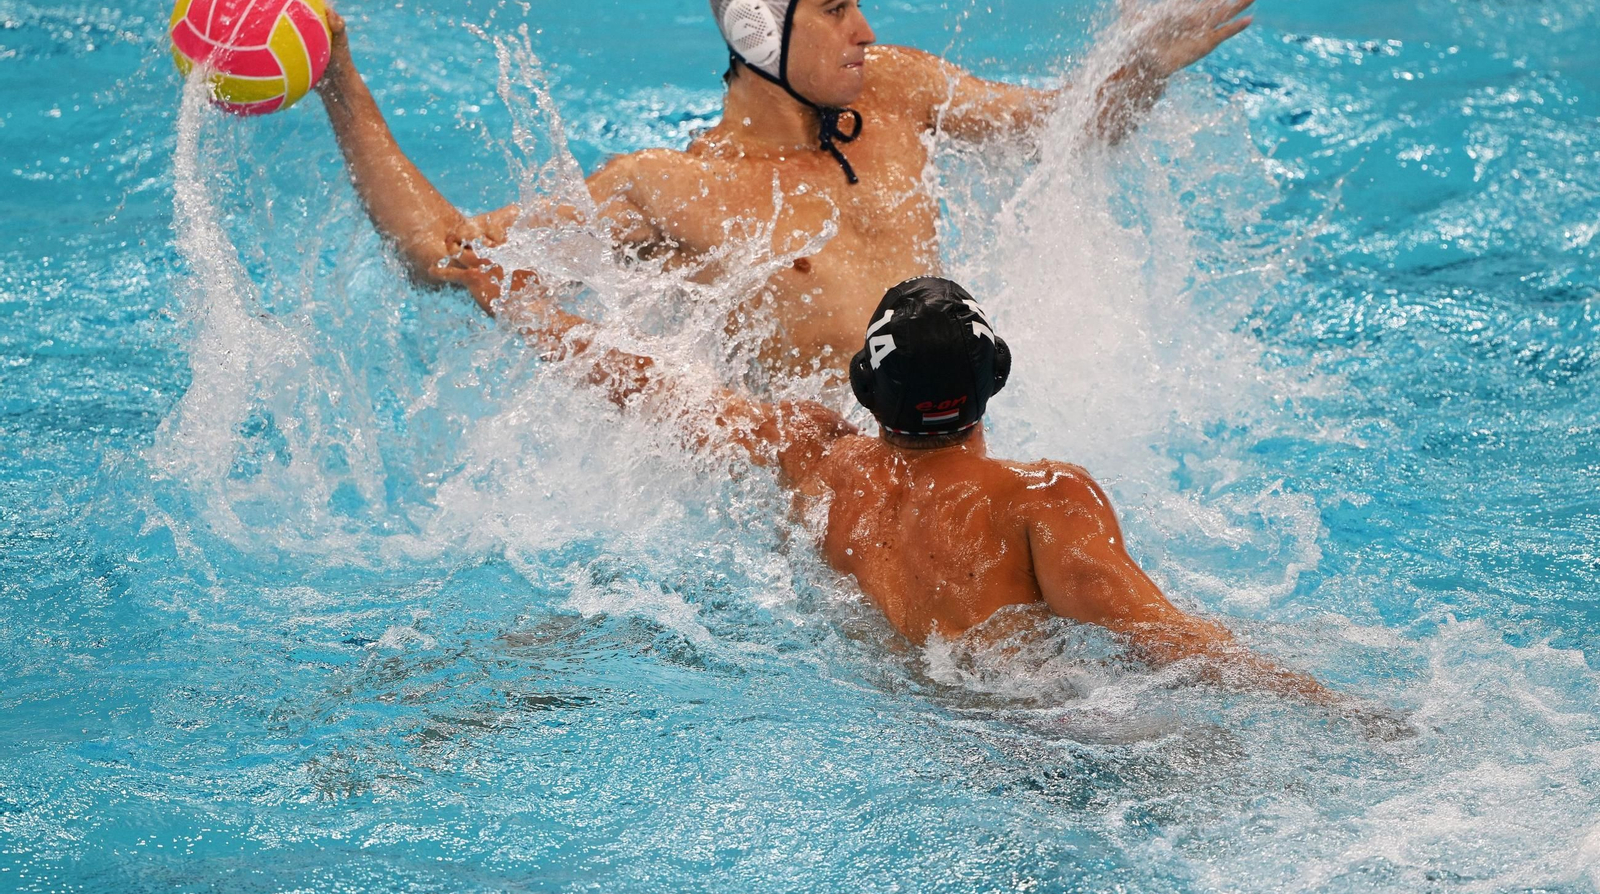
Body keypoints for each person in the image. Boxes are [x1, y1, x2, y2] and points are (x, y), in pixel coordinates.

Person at [456, 256, 1384, 720]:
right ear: (995, 378)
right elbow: (1173, 643)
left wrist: (522, 304)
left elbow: (662, 391)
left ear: (867, 389)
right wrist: (1343, 709)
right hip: (1057, 738)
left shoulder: (823, 463)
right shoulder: (1043, 500)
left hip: (913, 727)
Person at [318, 0, 1256, 381]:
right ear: (760, 31)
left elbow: (1060, 132)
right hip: (829, 501)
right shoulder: (668, 191)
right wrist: (340, 83)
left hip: (950, 432)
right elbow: (446, 253)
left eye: (860, 4)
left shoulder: (895, 90)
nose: (865, 32)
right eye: (838, 10)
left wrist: (1137, 69)